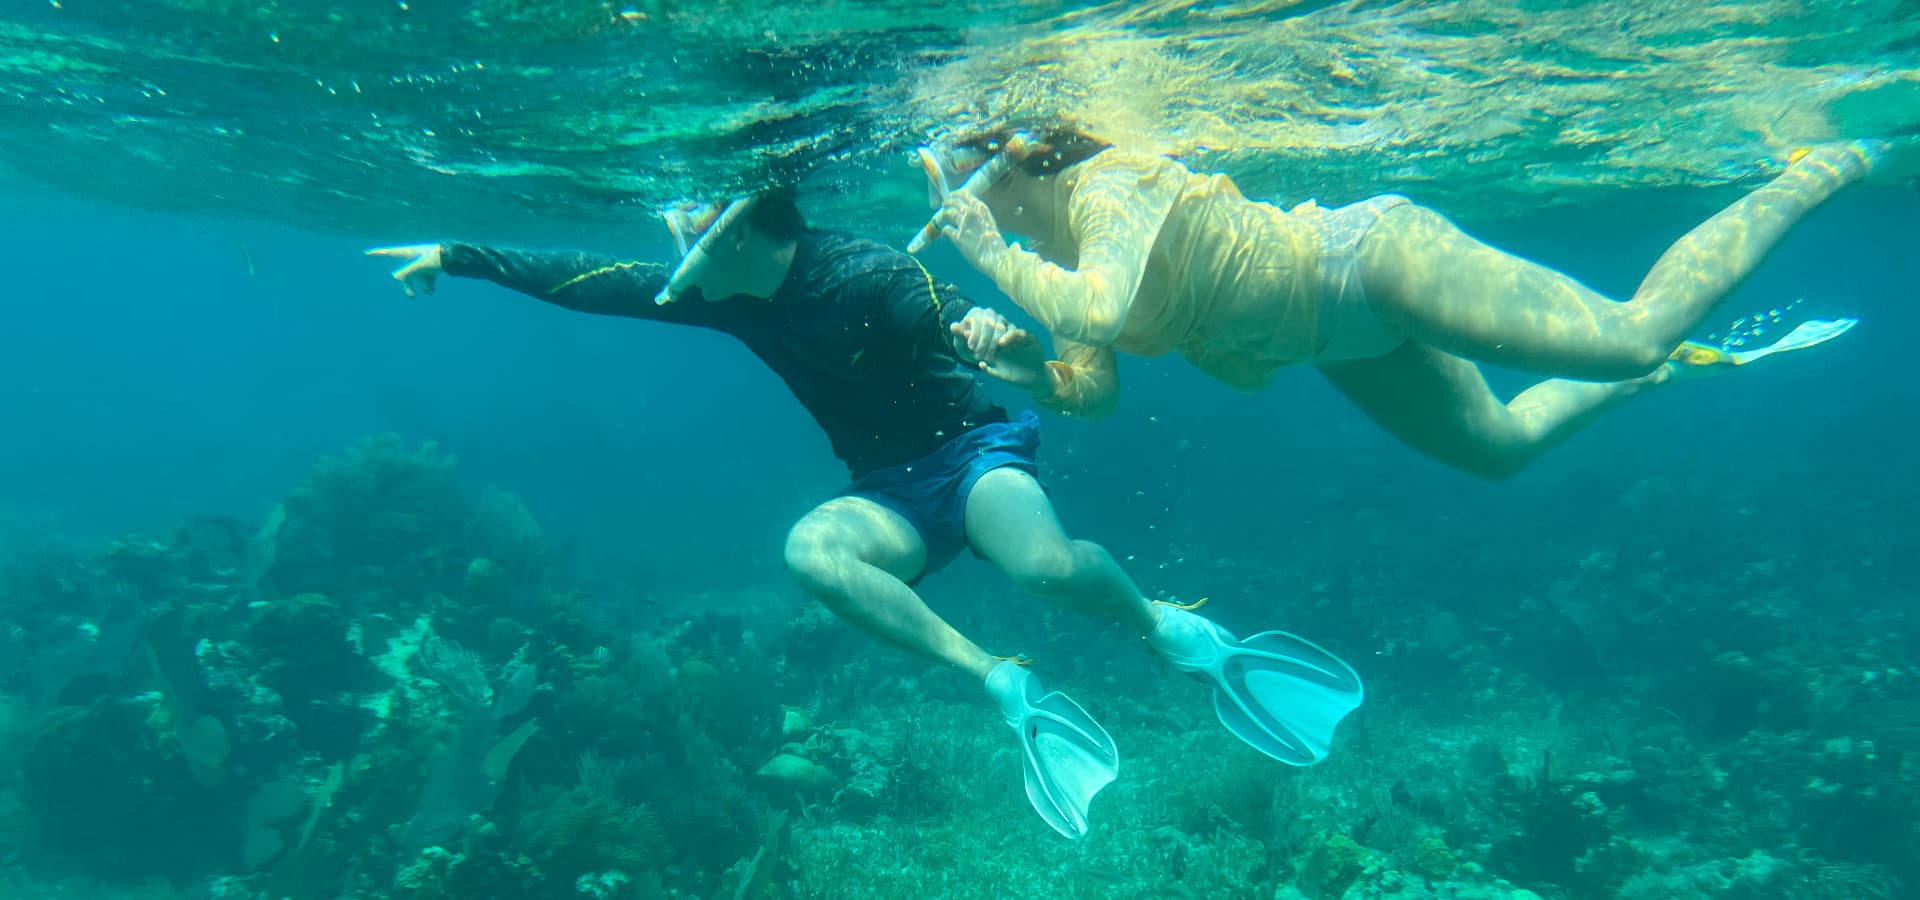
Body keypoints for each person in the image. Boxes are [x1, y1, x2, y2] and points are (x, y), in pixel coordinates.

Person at [365, 190, 1364, 839]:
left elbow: (951, 322)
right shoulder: (726, 292)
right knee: (812, 551)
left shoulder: (866, 274)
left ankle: (1170, 630)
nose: (673, 239)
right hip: (888, 490)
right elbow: (598, 285)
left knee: (1045, 569)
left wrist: (997, 345)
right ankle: (1004, 684)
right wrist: (456, 253)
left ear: (744, 229)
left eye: (691, 222)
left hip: (973, 455)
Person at [915, 126, 1894, 480]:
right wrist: (1029, 374)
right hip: (1336, 342)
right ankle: (1657, 377)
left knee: (1631, 333)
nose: (948, 200)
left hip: (1368, 264)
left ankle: (1820, 168)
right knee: (1496, 449)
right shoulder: (1046, 258)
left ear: (1010, 159)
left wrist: (989, 253)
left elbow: (1100, 306)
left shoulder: (1106, 184)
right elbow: (1093, 385)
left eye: (953, 176)